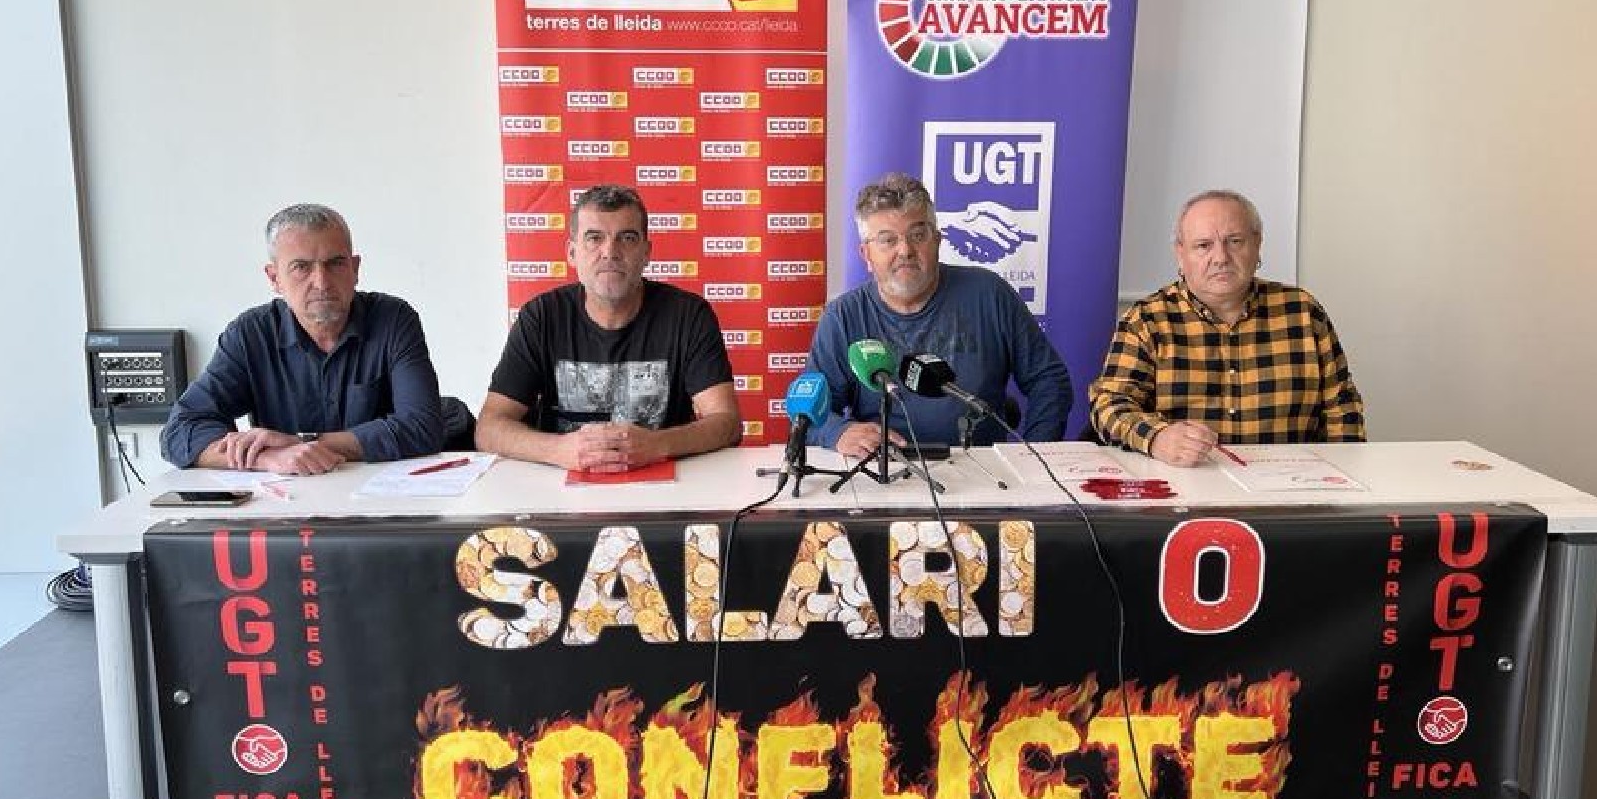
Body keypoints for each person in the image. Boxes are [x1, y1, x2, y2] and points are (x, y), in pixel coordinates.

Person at [1088, 188, 1365, 466]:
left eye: (1235, 241)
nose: (1221, 257)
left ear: (1257, 245)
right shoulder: (1147, 320)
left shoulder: (1303, 312)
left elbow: (1342, 409)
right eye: (1203, 245)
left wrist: (1343, 476)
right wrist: (1157, 438)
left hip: (1289, 481)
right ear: (1180, 254)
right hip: (1184, 481)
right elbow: (1109, 405)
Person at [806, 173, 1071, 461]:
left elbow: (1049, 381)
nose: (905, 250)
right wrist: (837, 432)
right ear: (866, 254)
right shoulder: (843, 317)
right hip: (884, 469)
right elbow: (810, 411)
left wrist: (1032, 458)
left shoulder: (989, 294)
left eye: (918, 236)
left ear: (937, 241)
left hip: (983, 470)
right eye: (888, 240)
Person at [161, 204, 444, 474]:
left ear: (355, 269)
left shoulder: (393, 320)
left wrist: (300, 443)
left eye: (335, 263)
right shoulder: (250, 335)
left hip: (379, 497)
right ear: (274, 278)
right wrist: (266, 457)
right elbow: (179, 431)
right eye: (301, 267)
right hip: (285, 497)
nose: (321, 282)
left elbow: (422, 427)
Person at [476, 184, 741, 472]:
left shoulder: (688, 315)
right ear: (572, 252)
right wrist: (559, 449)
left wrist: (657, 444)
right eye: (594, 238)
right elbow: (489, 428)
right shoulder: (541, 317)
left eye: (627, 238)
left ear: (646, 252)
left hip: (664, 485)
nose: (610, 252)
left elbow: (727, 423)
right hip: (562, 487)